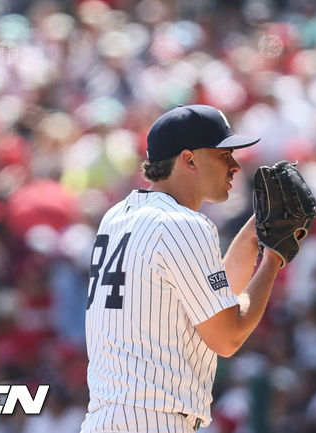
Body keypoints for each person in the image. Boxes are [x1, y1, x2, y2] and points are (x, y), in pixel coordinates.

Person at [79, 105, 285, 432]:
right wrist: (274, 259)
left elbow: (217, 299)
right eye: (223, 155)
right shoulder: (182, 224)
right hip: (153, 421)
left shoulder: (118, 216)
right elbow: (228, 337)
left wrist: (257, 230)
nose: (234, 166)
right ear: (189, 160)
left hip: (111, 418)